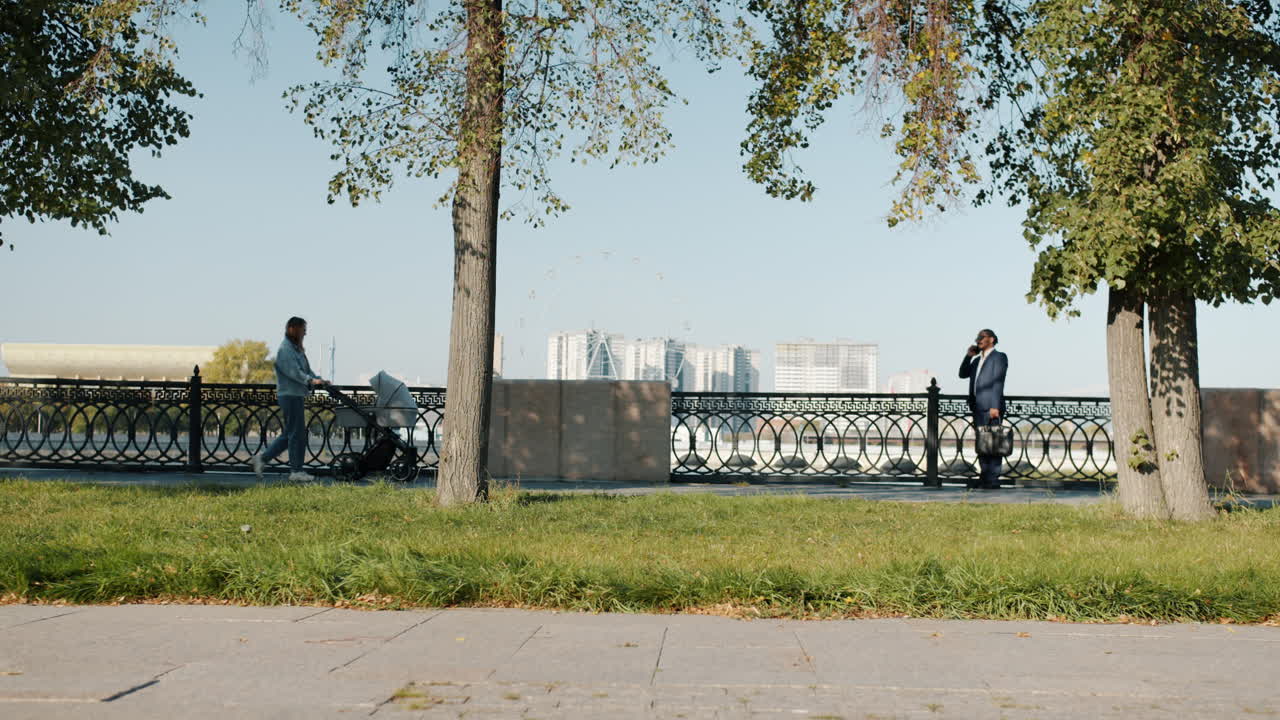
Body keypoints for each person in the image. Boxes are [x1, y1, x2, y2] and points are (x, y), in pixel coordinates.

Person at [252, 317, 326, 482]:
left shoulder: (295, 349)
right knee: (296, 434)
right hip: (290, 395)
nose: (306, 332)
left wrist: (318, 379)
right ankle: (296, 470)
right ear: (293, 329)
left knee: (290, 433)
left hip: (296, 395)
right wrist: (310, 381)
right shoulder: (285, 349)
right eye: (303, 329)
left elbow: (306, 370)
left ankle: (263, 459)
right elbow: (294, 372)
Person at [958, 329, 1008, 489]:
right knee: (982, 443)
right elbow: (962, 374)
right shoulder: (976, 360)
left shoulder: (999, 357)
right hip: (977, 407)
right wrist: (968, 356)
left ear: (991, 339)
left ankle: (992, 479)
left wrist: (995, 405)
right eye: (977, 338)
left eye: (982, 337)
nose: (978, 340)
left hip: (991, 407)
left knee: (994, 443)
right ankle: (984, 477)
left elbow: (998, 382)